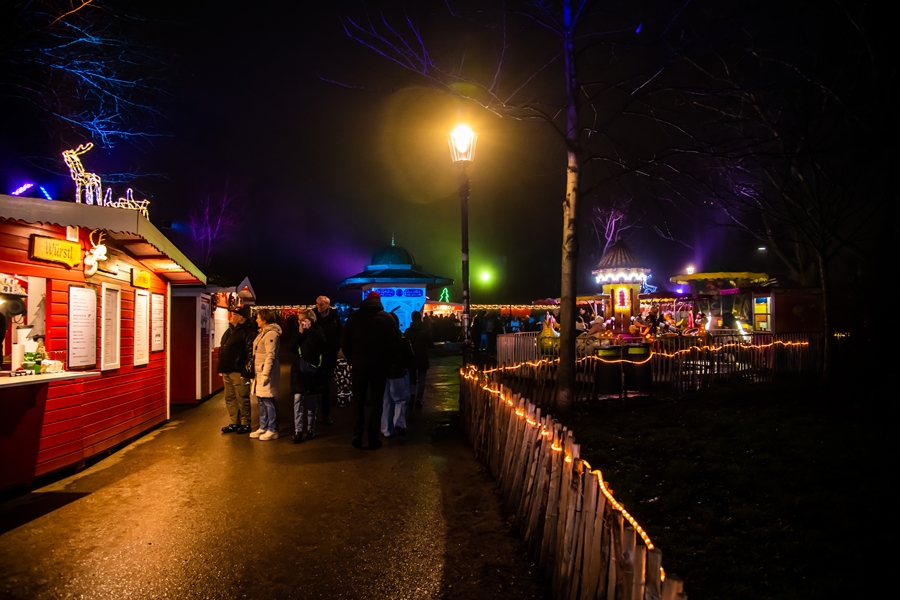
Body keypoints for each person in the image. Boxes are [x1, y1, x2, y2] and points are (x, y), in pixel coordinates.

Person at [341, 291, 400, 449]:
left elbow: (345, 342)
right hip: (379, 365)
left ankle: (357, 434)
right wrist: (389, 362)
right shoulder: (387, 319)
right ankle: (373, 435)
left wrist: (352, 359)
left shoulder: (354, 318)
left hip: (359, 363)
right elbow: (395, 343)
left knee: (358, 400)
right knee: (377, 400)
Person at [217, 305, 257, 434]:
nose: (231, 316)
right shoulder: (229, 331)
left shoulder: (247, 331)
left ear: (241, 317)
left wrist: (246, 371)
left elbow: (250, 353)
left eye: (234, 314)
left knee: (242, 397)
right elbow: (223, 349)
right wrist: (220, 367)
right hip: (227, 369)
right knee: (230, 397)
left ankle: (245, 423)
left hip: (238, 371)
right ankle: (234, 421)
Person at [289, 309, 327, 444]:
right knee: (298, 399)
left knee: (312, 401)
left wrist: (310, 330)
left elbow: (322, 344)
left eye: (302, 320)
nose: (300, 323)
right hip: (298, 370)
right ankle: (298, 430)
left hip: (312, 370)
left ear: (310, 320)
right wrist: (300, 333)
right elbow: (290, 347)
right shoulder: (297, 332)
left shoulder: (317, 331)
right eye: (299, 320)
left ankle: (311, 429)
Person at [250, 308, 282, 441]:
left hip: (266, 372)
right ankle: (263, 426)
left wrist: (265, 374)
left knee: (268, 400)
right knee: (261, 400)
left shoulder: (271, 334)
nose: (256, 319)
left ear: (264, 319)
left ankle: (272, 429)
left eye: (258, 317)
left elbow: (270, 355)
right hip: (260, 371)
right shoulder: (263, 332)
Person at [381, 313, 413, 437]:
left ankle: (386, 429)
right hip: (398, 372)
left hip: (383, 372)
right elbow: (409, 355)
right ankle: (398, 422)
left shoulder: (381, 338)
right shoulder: (402, 337)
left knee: (386, 400)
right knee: (399, 399)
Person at [314, 295, 342, 426]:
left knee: (327, 385)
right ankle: (313, 415)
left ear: (327, 305)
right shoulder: (313, 316)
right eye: (318, 304)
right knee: (314, 385)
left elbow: (340, 333)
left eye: (322, 304)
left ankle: (326, 414)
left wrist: (335, 347)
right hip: (315, 355)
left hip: (329, 355)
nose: (319, 306)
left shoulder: (334, 317)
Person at [405, 310, 433, 409]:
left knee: (412, 378)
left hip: (411, 358)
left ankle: (412, 396)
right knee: (422, 379)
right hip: (422, 358)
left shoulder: (408, 331)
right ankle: (419, 399)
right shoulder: (425, 331)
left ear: (412, 318)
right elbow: (431, 345)